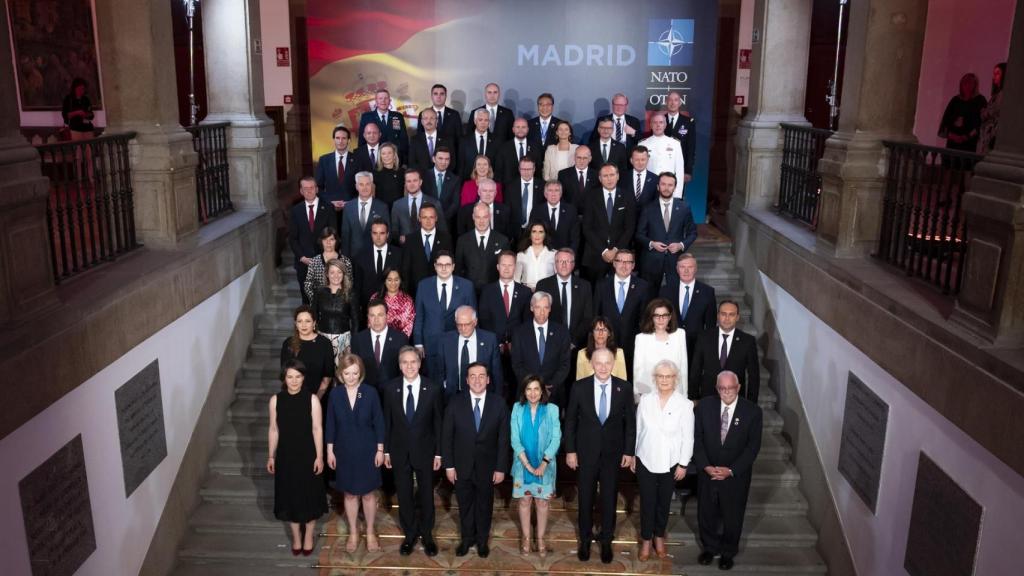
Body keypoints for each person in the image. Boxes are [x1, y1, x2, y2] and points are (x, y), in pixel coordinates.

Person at [564, 348, 636, 564]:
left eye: (607, 363)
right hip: (585, 454)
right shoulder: (579, 387)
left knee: (609, 498)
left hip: (613, 455)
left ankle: (606, 541)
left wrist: (629, 451)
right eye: (599, 363)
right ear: (592, 364)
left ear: (613, 363)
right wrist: (570, 451)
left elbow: (630, 424)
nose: (603, 367)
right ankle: (585, 541)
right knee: (585, 498)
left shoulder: (624, 388)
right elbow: (570, 422)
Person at [694, 371, 763, 571]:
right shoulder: (704, 407)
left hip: (735, 476)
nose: (727, 392)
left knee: (733, 516)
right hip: (708, 471)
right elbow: (696, 439)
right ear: (717, 388)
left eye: (731, 388)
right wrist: (705, 465)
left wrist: (731, 470)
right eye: (722, 388)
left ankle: (727, 552)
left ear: (738, 387)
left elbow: (753, 448)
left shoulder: (752, 412)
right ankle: (709, 548)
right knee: (706, 513)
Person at [442, 362, 511, 558]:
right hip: (461, 465)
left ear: (488, 379)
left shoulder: (499, 403)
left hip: (488, 467)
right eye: (473, 376)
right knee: (465, 505)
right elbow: (447, 437)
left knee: (484, 505)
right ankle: (467, 539)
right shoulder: (455, 403)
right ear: (466, 380)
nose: (477, 380)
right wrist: (449, 466)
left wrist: (500, 468)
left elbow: (503, 439)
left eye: (482, 376)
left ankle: (482, 541)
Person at [383, 346, 444, 557]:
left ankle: (427, 535)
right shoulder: (391, 389)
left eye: (413, 362)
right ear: (399, 365)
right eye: (405, 362)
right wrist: (387, 451)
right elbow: (387, 422)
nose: (409, 366)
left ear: (419, 363)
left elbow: (438, 423)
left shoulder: (433, 388)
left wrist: (438, 453)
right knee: (405, 495)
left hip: (425, 452)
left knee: (426, 494)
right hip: (399, 452)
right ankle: (409, 534)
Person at [632, 359, 694, 561]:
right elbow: (637, 430)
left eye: (668, 376)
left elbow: (688, 436)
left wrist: (683, 463)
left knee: (663, 503)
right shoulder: (645, 401)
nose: (664, 380)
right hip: (646, 460)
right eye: (661, 376)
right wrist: (633, 455)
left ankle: (659, 537)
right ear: (655, 379)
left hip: (670, 463)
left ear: (675, 379)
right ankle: (646, 540)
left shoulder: (684, 405)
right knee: (647, 503)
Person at [326, 354, 386, 552]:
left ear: (360, 373)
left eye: (355, 373)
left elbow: (379, 422)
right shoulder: (335, 395)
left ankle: (369, 531)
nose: (351, 377)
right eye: (347, 373)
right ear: (341, 374)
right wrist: (330, 450)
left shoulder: (369, 392)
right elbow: (330, 424)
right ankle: (353, 531)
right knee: (350, 494)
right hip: (344, 451)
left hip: (368, 450)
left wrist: (380, 449)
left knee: (368, 494)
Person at [268, 359, 327, 556]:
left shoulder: (312, 400)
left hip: (308, 454)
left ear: (303, 378)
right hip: (286, 456)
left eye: (298, 377)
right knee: (290, 496)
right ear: (284, 378)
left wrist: (320, 456)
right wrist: (271, 456)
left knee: (309, 495)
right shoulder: (276, 400)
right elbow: (273, 429)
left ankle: (309, 535)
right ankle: (296, 537)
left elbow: (317, 429)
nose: (294, 381)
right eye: (290, 377)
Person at [510, 375, 561, 557]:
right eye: (528, 389)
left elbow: (556, 438)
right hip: (522, 464)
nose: (532, 393)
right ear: (524, 391)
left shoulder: (552, 410)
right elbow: (515, 439)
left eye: (536, 389)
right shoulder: (517, 408)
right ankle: (525, 537)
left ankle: (540, 539)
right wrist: (528, 465)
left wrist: (544, 463)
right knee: (524, 500)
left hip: (545, 465)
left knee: (542, 501)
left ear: (542, 391)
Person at [412, 251, 476, 377]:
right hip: (431, 344)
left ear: (453, 266)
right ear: (435, 266)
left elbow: (473, 317)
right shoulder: (423, 285)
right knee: (434, 381)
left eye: (447, 264)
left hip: (458, 342)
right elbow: (419, 316)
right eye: (440, 265)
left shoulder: (466, 286)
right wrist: (418, 343)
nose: (444, 268)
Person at [636, 172, 698, 291]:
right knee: (649, 296)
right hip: (651, 261)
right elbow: (639, 234)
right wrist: (652, 244)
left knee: (674, 296)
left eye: (670, 185)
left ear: (675, 187)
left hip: (675, 261)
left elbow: (693, 232)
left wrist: (681, 245)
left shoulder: (684, 207)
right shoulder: (648, 208)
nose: (666, 188)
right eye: (663, 184)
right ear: (658, 186)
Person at [593, 249, 649, 376]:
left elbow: (644, 317)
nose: (624, 266)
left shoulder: (643, 286)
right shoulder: (602, 285)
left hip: (633, 345)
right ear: (614, 263)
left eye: (628, 262)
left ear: (633, 265)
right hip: (606, 343)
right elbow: (596, 315)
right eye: (620, 261)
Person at [690, 300, 761, 402]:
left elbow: (754, 376)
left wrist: (751, 403)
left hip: (735, 400)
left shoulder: (748, 341)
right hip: (708, 398)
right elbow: (695, 370)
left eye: (731, 315)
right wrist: (693, 397)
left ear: (737, 317)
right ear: (718, 315)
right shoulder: (704, 337)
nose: (727, 318)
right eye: (723, 314)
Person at [478, 251, 531, 384]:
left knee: (517, 384)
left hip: (518, 349)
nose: (507, 268)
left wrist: (516, 343)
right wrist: (498, 343)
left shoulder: (525, 292)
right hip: (494, 346)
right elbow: (484, 320)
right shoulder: (487, 291)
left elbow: (527, 321)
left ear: (515, 267)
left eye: (510, 265)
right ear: (497, 267)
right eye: (503, 265)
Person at [511, 291, 573, 405]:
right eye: (538, 307)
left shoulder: (562, 332)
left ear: (550, 309)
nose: (542, 312)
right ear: (531, 308)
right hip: (527, 393)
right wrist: (533, 387)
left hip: (553, 394)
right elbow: (517, 364)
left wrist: (549, 387)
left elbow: (564, 364)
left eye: (546, 307)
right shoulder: (519, 332)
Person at [580, 164, 637, 284]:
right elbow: (587, 228)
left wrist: (616, 250)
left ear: (618, 176)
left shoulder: (628, 196)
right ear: (600, 178)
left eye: (612, 175)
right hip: (595, 255)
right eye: (605, 176)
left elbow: (629, 228)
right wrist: (604, 251)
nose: (609, 179)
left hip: (621, 256)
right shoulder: (591, 196)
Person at [289, 177, 338, 304]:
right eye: (305, 188)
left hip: (324, 262)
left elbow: (333, 235)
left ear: (316, 189)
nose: (309, 191)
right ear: (301, 191)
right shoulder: (296, 210)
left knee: (325, 299)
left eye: (311, 188)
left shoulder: (328, 208)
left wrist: (325, 257)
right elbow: (293, 238)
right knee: (306, 299)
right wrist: (302, 257)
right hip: (303, 263)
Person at [437, 305, 503, 400]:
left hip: (482, 395)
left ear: (475, 322)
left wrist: (497, 398)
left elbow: (497, 373)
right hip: (452, 396)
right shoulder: (445, 340)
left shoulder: (489, 340)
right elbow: (440, 372)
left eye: (467, 324)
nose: (463, 328)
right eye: (459, 324)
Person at [660, 253, 717, 360]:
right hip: (671, 344)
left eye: (690, 267)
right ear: (677, 269)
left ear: (695, 269)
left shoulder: (707, 292)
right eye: (682, 267)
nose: (686, 271)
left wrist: (707, 347)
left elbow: (710, 324)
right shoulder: (665, 290)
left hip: (697, 346)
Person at [537, 248, 593, 350]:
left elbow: (588, 317)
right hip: (549, 344)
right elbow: (539, 315)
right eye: (560, 261)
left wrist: (573, 341)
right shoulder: (543, 285)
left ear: (573, 265)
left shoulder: (585, 286)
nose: (563, 265)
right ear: (555, 264)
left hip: (577, 345)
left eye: (567, 261)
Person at [633, 298, 688, 401]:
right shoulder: (641, 338)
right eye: (657, 316)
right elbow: (638, 370)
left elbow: (683, 368)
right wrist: (639, 399)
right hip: (649, 395)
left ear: (670, 317)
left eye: (664, 315)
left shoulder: (680, 335)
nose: (661, 319)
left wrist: (684, 396)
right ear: (651, 317)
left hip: (675, 395)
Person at [349, 298, 409, 390]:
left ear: (387, 316)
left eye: (380, 315)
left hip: (392, 393)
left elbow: (403, 371)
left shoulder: (400, 339)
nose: (376, 320)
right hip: (366, 393)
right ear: (368, 317)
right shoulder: (357, 339)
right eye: (372, 315)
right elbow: (355, 369)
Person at [280, 305, 335, 399]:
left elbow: (328, 376)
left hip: (319, 397)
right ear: (296, 324)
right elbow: (285, 373)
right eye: (300, 321)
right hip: (292, 397)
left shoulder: (324, 343)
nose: (303, 325)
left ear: (314, 323)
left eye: (307, 321)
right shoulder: (288, 343)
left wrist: (316, 398)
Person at [455, 202, 511, 292]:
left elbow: (505, 270)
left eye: (485, 217)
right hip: (469, 291)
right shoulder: (462, 240)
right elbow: (458, 268)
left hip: (494, 291)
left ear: (489, 217)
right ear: (473, 217)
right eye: (478, 217)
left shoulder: (502, 240)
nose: (481, 221)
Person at [399, 203, 453, 296]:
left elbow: (450, 266)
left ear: (436, 218)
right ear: (419, 218)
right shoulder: (410, 240)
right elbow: (405, 269)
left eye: (431, 217)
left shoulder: (446, 239)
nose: (428, 221)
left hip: (440, 291)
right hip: (416, 291)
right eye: (424, 217)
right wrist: (406, 294)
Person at [310, 259, 359, 358]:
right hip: (322, 338)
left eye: (339, 272)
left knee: (341, 372)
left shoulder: (351, 294)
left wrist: (354, 344)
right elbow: (313, 317)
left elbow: (356, 321)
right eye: (332, 272)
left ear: (343, 274)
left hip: (343, 341)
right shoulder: (319, 292)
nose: (336, 276)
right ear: (327, 274)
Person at [354, 218, 402, 309]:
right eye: (375, 233)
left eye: (382, 233)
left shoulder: (399, 254)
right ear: (371, 234)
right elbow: (357, 286)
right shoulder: (360, 255)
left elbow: (403, 281)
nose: (378, 237)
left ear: (387, 234)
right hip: (367, 307)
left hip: (394, 307)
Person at [340, 172, 389, 258]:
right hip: (353, 257)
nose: (364, 188)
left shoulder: (382, 207)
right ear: (356, 186)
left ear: (372, 185)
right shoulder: (348, 207)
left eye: (367, 184)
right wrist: (345, 259)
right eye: (361, 184)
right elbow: (345, 235)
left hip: (375, 256)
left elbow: (388, 234)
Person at [302, 226, 354, 304]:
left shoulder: (345, 261)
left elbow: (349, 282)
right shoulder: (314, 262)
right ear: (321, 241)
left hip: (341, 304)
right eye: (325, 239)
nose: (328, 243)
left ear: (336, 241)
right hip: (319, 304)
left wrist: (342, 300)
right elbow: (308, 284)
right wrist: (317, 300)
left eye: (331, 239)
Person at [638, 114, 685, 198]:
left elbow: (679, 170)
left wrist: (677, 194)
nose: (658, 125)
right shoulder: (642, 144)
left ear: (665, 125)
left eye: (661, 122)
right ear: (651, 125)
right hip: (649, 188)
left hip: (668, 188)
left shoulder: (675, 144)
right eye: (655, 122)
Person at [939, 72, 987, 153]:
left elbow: (981, 123)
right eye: (964, 82)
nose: (967, 85)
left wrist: (966, 137)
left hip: (969, 144)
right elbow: (946, 121)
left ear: (975, 85)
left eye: (970, 82)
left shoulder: (980, 100)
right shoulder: (955, 100)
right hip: (952, 143)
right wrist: (952, 136)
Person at [358, 88, 408, 162]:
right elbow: (362, 141)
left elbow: (404, 140)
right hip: (374, 159)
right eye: (380, 98)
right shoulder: (367, 117)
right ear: (376, 100)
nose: (383, 101)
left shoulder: (397, 117)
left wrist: (405, 162)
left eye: (386, 98)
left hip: (394, 159)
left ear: (389, 100)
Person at [529, 180, 579, 252]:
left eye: (556, 190)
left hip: (565, 255)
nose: (553, 194)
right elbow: (531, 235)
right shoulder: (536, 211)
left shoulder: (571, 211)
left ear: (561, 194)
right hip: (543, 254)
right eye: (550, 190)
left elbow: (575, 238)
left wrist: (569, 254)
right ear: (545, 194)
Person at [314, 125, 356, 211]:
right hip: (329, 208)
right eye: (337, 138)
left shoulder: (357, 160)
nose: (340, 141)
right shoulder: (324, 160)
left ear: (349, 140)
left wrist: (351, 202)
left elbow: (362, 186)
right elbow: (318, 187)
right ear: (333, 140)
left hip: (352, 208)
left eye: (344, 138)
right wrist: (330, 201)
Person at [422, 145, 461, 233]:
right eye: (440, 158)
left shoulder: (455, 179)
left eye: (447, 159)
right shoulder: (424, 176)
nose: (444, 162)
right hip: (425, 222)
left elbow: (455, 203)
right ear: (433, 159)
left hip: (446, 224)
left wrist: (441, 217)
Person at [575, 316, 627, 381]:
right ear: (592, 333)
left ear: (609, 334)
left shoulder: (619, 353)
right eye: (597, 329)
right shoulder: (582, 354)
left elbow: (623, 382)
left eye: (604, 330)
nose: (600, 333)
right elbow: (579, 383)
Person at [495, 117, 543, 184]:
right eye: (518, 127)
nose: (520, 130)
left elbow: (538, 171)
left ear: (528, 129)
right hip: (508, 188)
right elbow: (498, 172)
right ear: (513, 129)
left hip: (531, 188)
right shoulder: (503, 148)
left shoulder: (536, 147)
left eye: (523, 127)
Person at [663, 90, 696, 183]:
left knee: (678, 195)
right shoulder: (660, 120)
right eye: (670, 100)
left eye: (676, 100)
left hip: (680, 166)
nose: (673, 103)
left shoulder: (689, 122)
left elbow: (691, 148)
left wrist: (688, 170)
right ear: (666, 102)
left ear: (680, 103)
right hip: (662, 166)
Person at [370, 268, 414, 338]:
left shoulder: (407, 300)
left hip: (400, 343)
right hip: (378, 340)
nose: (393, 283)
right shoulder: (375, 297)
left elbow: (409, 326)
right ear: (385, 281)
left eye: (396, 280)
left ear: (400, 281)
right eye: (389, 280)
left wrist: (399, 341)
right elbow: (371, 322)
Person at [408, 108, 454, 175]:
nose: (429, 121)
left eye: (432, 118)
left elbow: (452, 162)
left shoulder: (447, 139)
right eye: (425, 118)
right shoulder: (415, 140)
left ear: (437, 121)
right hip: (421, 179)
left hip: (441, 178)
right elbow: (412, 163)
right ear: (422, 122)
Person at [505, 157, 543, 235]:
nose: (526, 172)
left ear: (534, 169)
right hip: (515, 231)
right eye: (523, 169)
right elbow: (507, 210)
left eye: (529, 169)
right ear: (519, 169)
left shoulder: (542, 186)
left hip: (536, 231)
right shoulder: (510, 186)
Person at [418, 83, 462, 149]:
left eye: (442, 94)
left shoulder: (454, 114)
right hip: (428, 154)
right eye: (435, 94)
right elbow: (419, 137)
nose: (439, 97)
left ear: (446, 96)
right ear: (431, 96)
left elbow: (459, 139)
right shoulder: (423, 114)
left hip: (449, 155)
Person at [514, 222, 555, 290]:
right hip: (526, 292)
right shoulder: (521, 255)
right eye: (534, 231)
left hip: (548, 292)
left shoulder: (554, 254)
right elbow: (516, 279)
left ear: (545, 234)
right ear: (529, 234)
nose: (537, 235)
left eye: (541, 232)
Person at [459, 110, 497, 180]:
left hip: (490, 184)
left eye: (486, 120)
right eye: (480, 120)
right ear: (475, 121)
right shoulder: (464, 141)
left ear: (489, 122)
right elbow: (461, 165)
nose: (483, 123)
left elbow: (498, 166)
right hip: (468, 181)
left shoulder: (496, 141)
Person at [979, 62, 1006, 155]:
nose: (994, 77)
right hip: (987, 133)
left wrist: (985, 112)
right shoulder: (995, 95)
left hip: (993, 132)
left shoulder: (1002, 94)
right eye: (994, 74)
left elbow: (993, 111)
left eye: (997, 73)